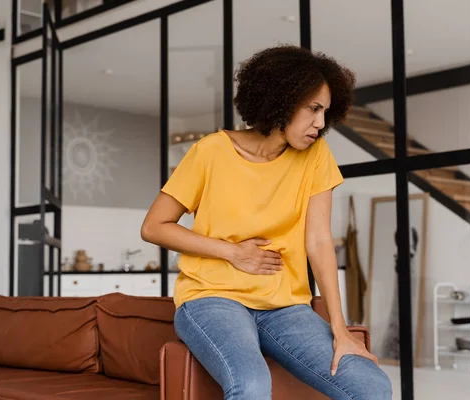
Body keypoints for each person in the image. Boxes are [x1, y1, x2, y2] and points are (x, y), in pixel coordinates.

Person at [141, 45, 393, 400]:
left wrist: (340, 329)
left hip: (284, 307)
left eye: (326, 111)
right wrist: (232, 253)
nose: (321, 123)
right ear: (282, 100)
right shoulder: (211, 151)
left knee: (372, 387)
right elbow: (154, 226)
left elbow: (319, 241)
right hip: (212, 299)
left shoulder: (315, 155)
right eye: (314, 109)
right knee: (252, 385)